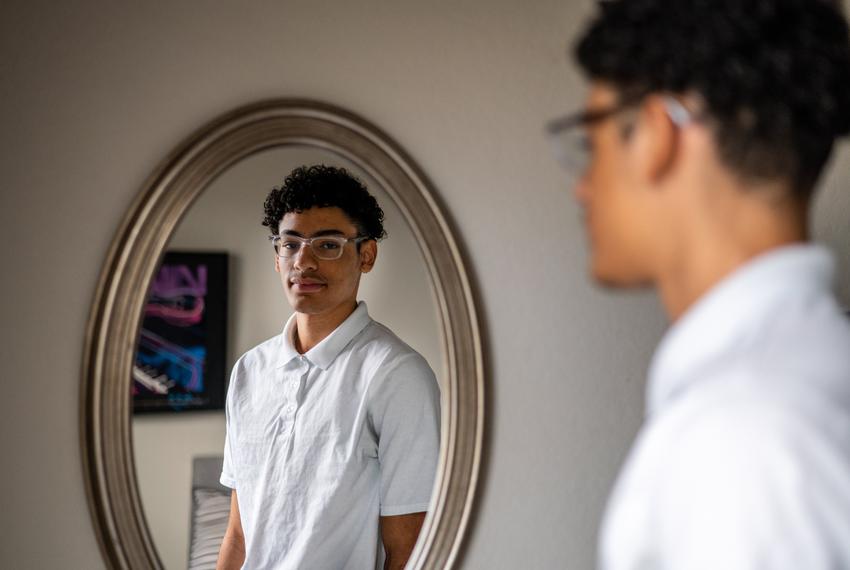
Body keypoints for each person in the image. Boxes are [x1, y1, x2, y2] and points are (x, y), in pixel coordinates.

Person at [547, 0, 850, 568]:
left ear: (658, 133)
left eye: (592, 142)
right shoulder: (816, 378)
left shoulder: (738, 440)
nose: (581, 188)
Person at [216, 165, 441, 570]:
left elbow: (409, 553)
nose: (303, 261)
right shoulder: (248, 371)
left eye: (328, 245)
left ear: (366, 255)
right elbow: (238, 536)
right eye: (291, 244)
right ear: (277, 255)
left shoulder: (396, 375)